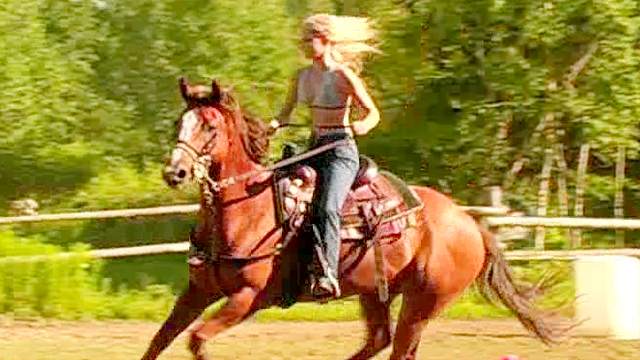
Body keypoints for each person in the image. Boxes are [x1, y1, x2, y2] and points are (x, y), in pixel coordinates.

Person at [269, 14, 381, 299]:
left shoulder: (343, 75)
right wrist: (274, 124)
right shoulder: (302, 76)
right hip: (315, 145)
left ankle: (328, 274)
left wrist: (362, 125)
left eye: (309, 40)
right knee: (273, 185)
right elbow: (287, 110)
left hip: (340, 151)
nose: (304, 46)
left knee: (327, 208)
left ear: (325, 40)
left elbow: (373, 112)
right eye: (303, 40)